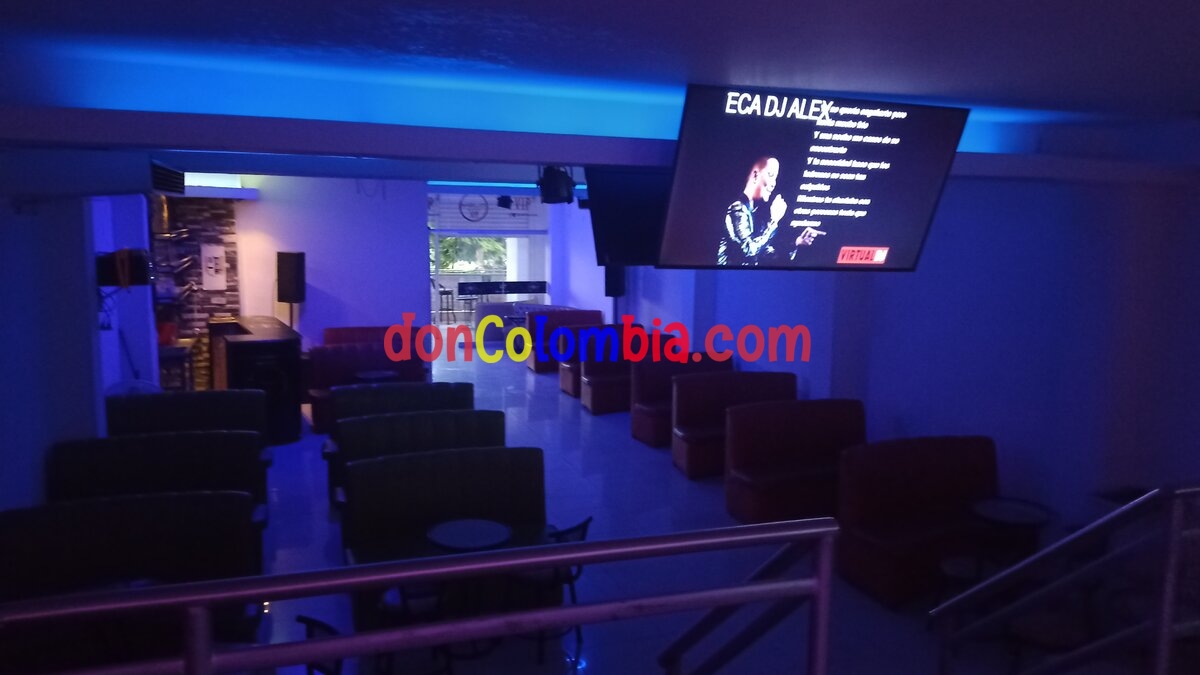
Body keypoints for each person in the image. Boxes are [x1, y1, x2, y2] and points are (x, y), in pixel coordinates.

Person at [718, 157, 788, 266]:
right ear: (755, 175)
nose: (774, 183)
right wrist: (774, 221)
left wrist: (797, 243)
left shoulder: (755, 212)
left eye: (776, 178)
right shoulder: (737, 209)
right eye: (771, 175)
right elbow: (749, 251)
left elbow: (764, 251)